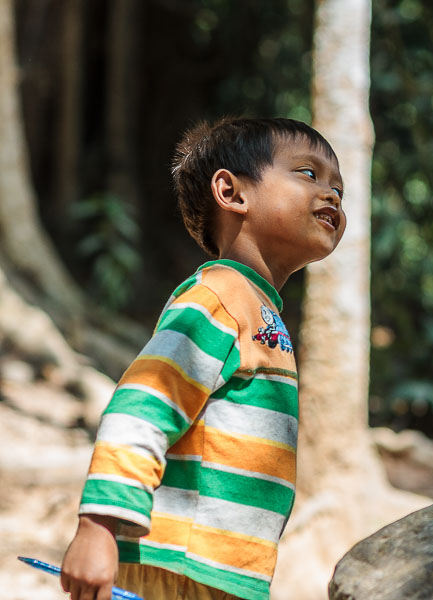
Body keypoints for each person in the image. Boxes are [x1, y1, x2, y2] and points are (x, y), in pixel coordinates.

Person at [60, 117, 346, 600]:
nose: (333, 195)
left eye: (339, 188)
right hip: (176, 568)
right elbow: (144, 402)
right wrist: (98, 526)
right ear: (232, 193)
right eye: (309, 174)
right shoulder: (218, 297)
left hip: (220, 574)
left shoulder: (256, 308)